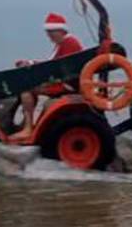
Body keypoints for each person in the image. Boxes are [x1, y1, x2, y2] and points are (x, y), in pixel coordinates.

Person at [10, 12, 84, 140]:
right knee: (31, 87)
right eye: (47, 32)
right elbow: (53, 64)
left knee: (25, 89)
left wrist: (31, 66)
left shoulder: (69, 43)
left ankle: (28, 129)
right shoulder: (65, 43)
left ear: (60, 30)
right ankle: (27, 124)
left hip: (68, 86)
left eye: (51, 32)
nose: (49, 36)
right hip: (66, 83)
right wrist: (31, 63)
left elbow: (54, 68)